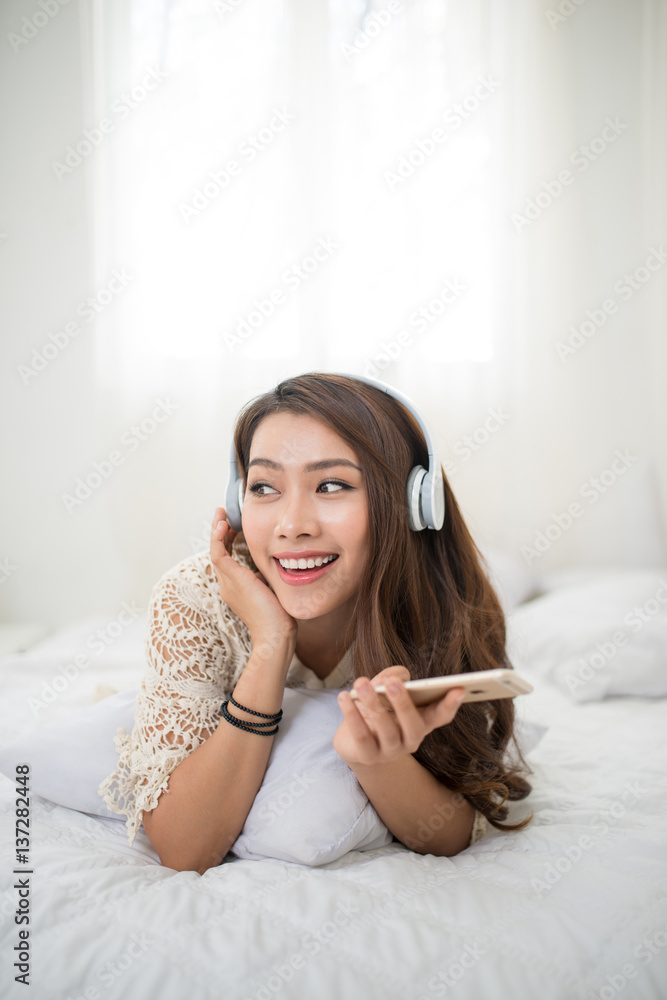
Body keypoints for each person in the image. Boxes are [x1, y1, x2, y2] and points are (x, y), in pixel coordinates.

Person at [99, 372, 533, 873]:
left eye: (331, 485)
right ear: (240, 502)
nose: (291, 525)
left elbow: (450, 834)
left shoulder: (442, 600)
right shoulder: (195, 597)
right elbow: (184, 849)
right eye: (264, 487)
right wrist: (271, 643)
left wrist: (375, 758)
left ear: (414, 502)